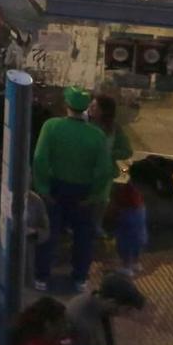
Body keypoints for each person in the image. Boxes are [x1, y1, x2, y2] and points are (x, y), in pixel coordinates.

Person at [32, 86, 111, 292]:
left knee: (50, 233)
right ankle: (79, 278)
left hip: (56, 187)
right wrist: (94, 194)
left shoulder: (52, 126)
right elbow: (104, 170)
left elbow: (40, 159)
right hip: (83, 191)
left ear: (66, 105)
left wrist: (42, 187)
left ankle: (42, 276)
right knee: (83, 236)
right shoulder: (97, 135)